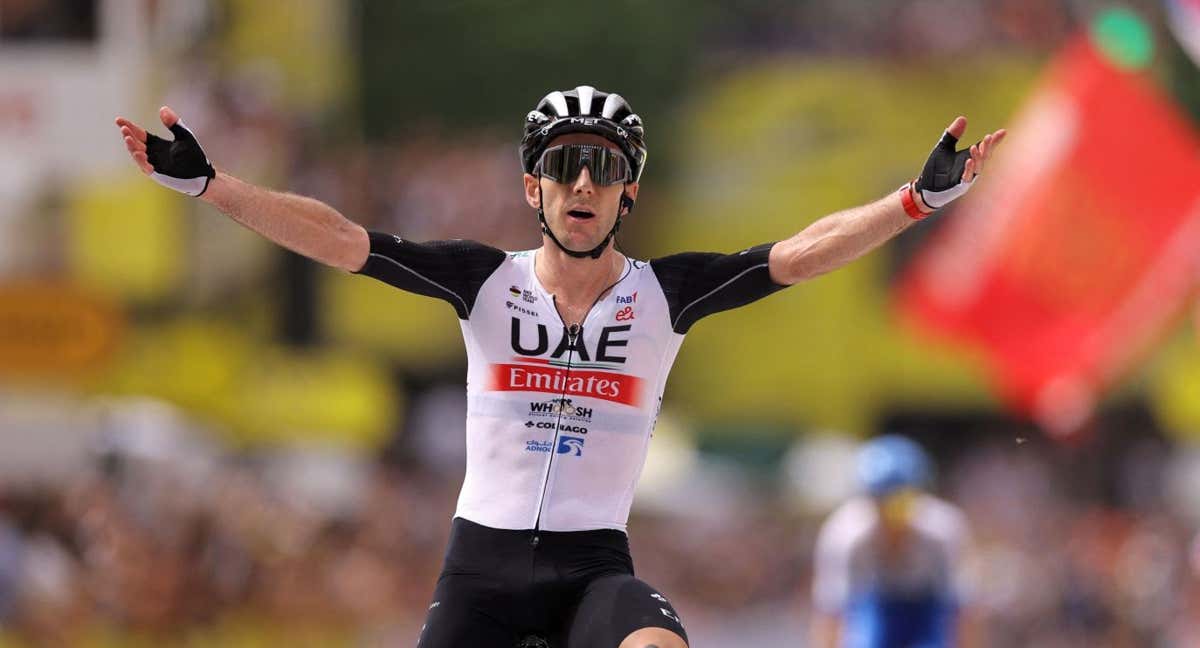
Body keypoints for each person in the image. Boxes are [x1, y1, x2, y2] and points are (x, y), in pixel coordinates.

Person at [115, 86, 1005, 648]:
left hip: (593, 571)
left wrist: (915, 200)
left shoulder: (670, 293)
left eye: (604, 171)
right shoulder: (481, 281)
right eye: (563, 169)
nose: (583, 187)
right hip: (480, 574)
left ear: (630, 192)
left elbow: (804, 252)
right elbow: (339, 238)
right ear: (532, 188)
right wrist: (211, 185)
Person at [810, 435, 979, 648]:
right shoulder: (846, 537)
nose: (889, 512)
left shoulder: (942, 532)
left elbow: (963, 610)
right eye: (880, 500)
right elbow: (831, 613)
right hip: (874, 607)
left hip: (929, 607)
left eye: (899, 501)